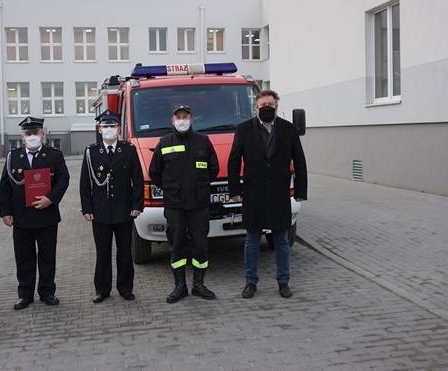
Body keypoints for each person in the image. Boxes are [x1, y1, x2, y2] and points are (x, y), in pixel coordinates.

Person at [227, 90, 307, 299]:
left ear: (277, 106)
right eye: (262, 105)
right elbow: (234, 161)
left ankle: (283, 282)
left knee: (281, 240)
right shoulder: (244, 130)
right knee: (251, 241)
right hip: (253, 194)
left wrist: (300, 191)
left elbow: (299, 160)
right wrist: (234, 190)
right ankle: (250, 283)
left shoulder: (288, 129)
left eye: (270, 105)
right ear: (256, 108)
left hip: (279, 194)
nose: (266, 108)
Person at [149, 104, 219, 303]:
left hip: (199, 206)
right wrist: (170, 189)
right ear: (172, 120)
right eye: (178, 116)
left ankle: (199, 285)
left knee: (201, 246)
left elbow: (213, 168)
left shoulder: (203, 141)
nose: (182, 120)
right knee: (177, 247)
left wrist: (201, 186)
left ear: (192, 119)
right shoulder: (164, 142)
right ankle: (180, 286)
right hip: (175, 206)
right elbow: (154, 172)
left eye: (185, 116)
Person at [0, 116, 70, 310]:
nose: (31, 136)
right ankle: (25, 294)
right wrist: (5, 212)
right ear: (22, 136)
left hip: (46, 216)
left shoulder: (54, 155)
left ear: (42, 134)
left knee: (47, 256)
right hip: (21, 217)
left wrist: (51, 199)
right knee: (24, 258)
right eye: (27, 133)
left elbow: (63, 180)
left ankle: (47, 292)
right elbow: (5, 186)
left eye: (35, 133)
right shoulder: (13, 157)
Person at [79, 110, 144, 303]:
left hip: (124, 211)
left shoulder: (128, 150)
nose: (109, 129)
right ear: (99, 129)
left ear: (118, 129)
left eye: (112, 126)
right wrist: (87, 209)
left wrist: (137, 205)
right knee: (103, 253)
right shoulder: (91, 152)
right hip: (100, 213)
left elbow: (138, 180)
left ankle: (126, 288)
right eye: (105, 126)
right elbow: (84, 183)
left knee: (125, 253)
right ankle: (102, 289)